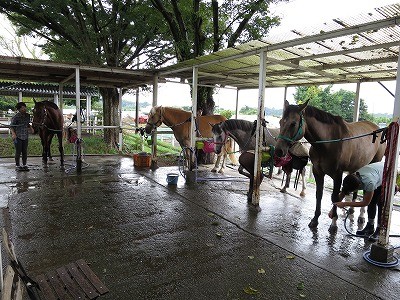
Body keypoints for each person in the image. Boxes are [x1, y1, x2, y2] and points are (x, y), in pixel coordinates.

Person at [332, 161, 385, 241]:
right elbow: (343, 193)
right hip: (374, 172)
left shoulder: (369, 183)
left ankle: (379, 230)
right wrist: (333, 208)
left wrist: (345, 203)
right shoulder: (351, 179)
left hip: (385, 174)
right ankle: (370, 227)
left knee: (378, 203)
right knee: (372, 202)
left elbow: (365, 202)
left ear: (359, 187)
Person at [10, 102, 33, 171]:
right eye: (23, 108)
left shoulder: (27, 115)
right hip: (18, 137)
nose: (25, 109)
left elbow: (27, 124)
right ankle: (17, 166)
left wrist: (31, 128)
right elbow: (11, 126)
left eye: (25, 107)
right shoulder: (16, 117)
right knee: (18, 151)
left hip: (25, 136)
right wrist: (13, 134)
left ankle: (24, 165)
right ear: (19, 109)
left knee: (25, 151)